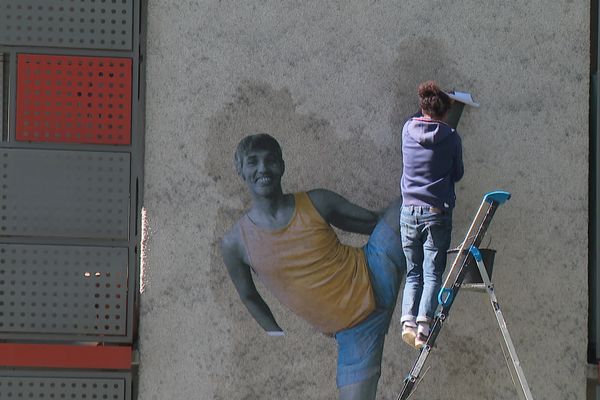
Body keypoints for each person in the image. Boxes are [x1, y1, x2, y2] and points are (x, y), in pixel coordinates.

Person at [220, 133, 406, 400]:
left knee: (413, 198)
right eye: (252, 162)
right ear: (240, 170)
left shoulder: (317, 202)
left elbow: (374, 224)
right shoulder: (235, 243)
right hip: (354, 332)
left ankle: (437, 117)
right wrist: (276, 335)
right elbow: (249, 296)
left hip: (376, 268)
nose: (263, 168)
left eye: (270, 160)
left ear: (282, 166)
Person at [399, 81, 464, 349]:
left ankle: (408, 322)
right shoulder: (451, 137)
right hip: (436, 213)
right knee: (432, 272)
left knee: (413, 271)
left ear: (422, 106)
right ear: (446, 112)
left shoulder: (407, 130)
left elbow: (421, 121)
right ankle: (424, 326)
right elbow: (458, 173)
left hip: (408, 213)